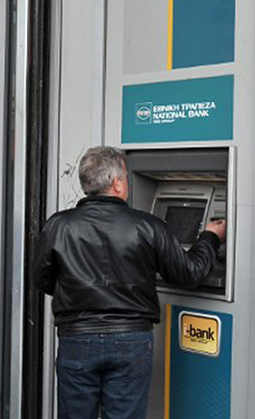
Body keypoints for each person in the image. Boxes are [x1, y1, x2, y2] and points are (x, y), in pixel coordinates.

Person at [33, 146, 226, 419]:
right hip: (131, 340)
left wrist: (78, 290)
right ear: (117, 183)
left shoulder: (58, 225)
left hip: (77, 337)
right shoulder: (148, 225)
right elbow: (189, 272)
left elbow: (42, 279)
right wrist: (210, 237)